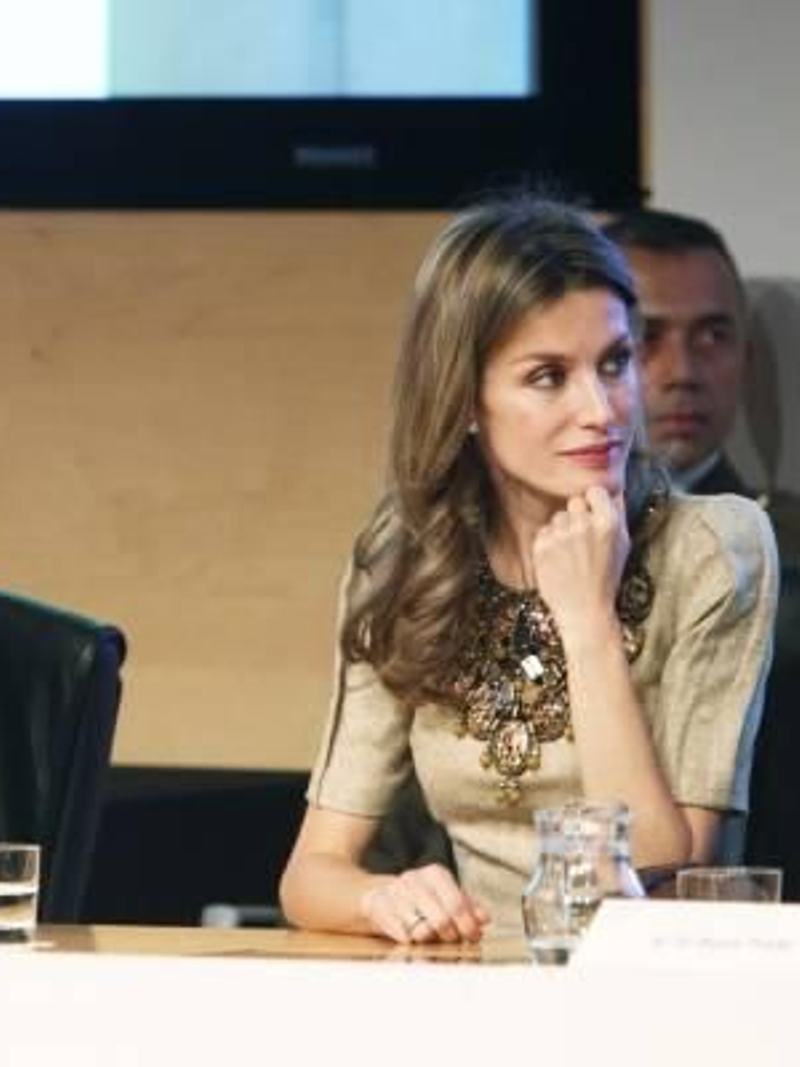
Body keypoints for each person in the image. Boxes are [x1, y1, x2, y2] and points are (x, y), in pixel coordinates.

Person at [278, 197, 778, 943]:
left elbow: (659, 865)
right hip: (475, 995)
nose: (602, 409)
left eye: (613, 363)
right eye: (548, 376)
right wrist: (380, 898)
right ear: (466, 397)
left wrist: (588, 623)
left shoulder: (714, 547)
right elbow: (311, 874)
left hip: (655, 998)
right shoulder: (404, 556)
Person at [601, 209, 800, 558]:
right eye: (644, 336)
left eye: (713, 336)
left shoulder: (783, 549)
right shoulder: (498, 537)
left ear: (747, 359)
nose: (683, 373)